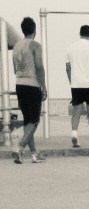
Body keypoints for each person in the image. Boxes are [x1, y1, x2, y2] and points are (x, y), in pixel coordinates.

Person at [11, 17, 47, 164]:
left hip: (19, 84)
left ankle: (34, 154)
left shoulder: (16, 46)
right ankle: (19, 148)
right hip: (32, 84)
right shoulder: (35, 45)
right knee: (34, 120)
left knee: (28, 121)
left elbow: (15, 69)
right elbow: (39, 67)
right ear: (34, 29)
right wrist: (43, 86)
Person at [66, 24, 89, 148]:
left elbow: (68, 68)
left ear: (80, 33)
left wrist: (72, 82)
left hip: (76, 84)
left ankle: (74, 133)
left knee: (76, 111)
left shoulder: (70, 48)